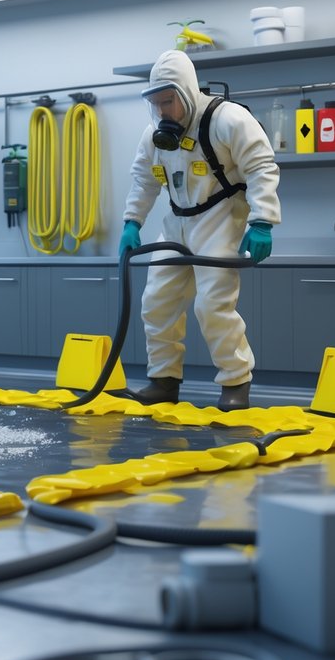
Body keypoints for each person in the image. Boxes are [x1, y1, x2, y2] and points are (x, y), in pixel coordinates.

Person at [119, 48, 280, 412]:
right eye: (156, 104)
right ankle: (163, 380)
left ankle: (235, 382)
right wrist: (132, 222)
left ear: (187, 92)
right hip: (176, 222)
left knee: (212, 306)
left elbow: (261, 167)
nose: (162, 111)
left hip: (220, 217)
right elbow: (144, 181)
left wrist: (262, 221)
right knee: (156, 301)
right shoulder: (153, 135)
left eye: (168, 101)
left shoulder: (228, 119)